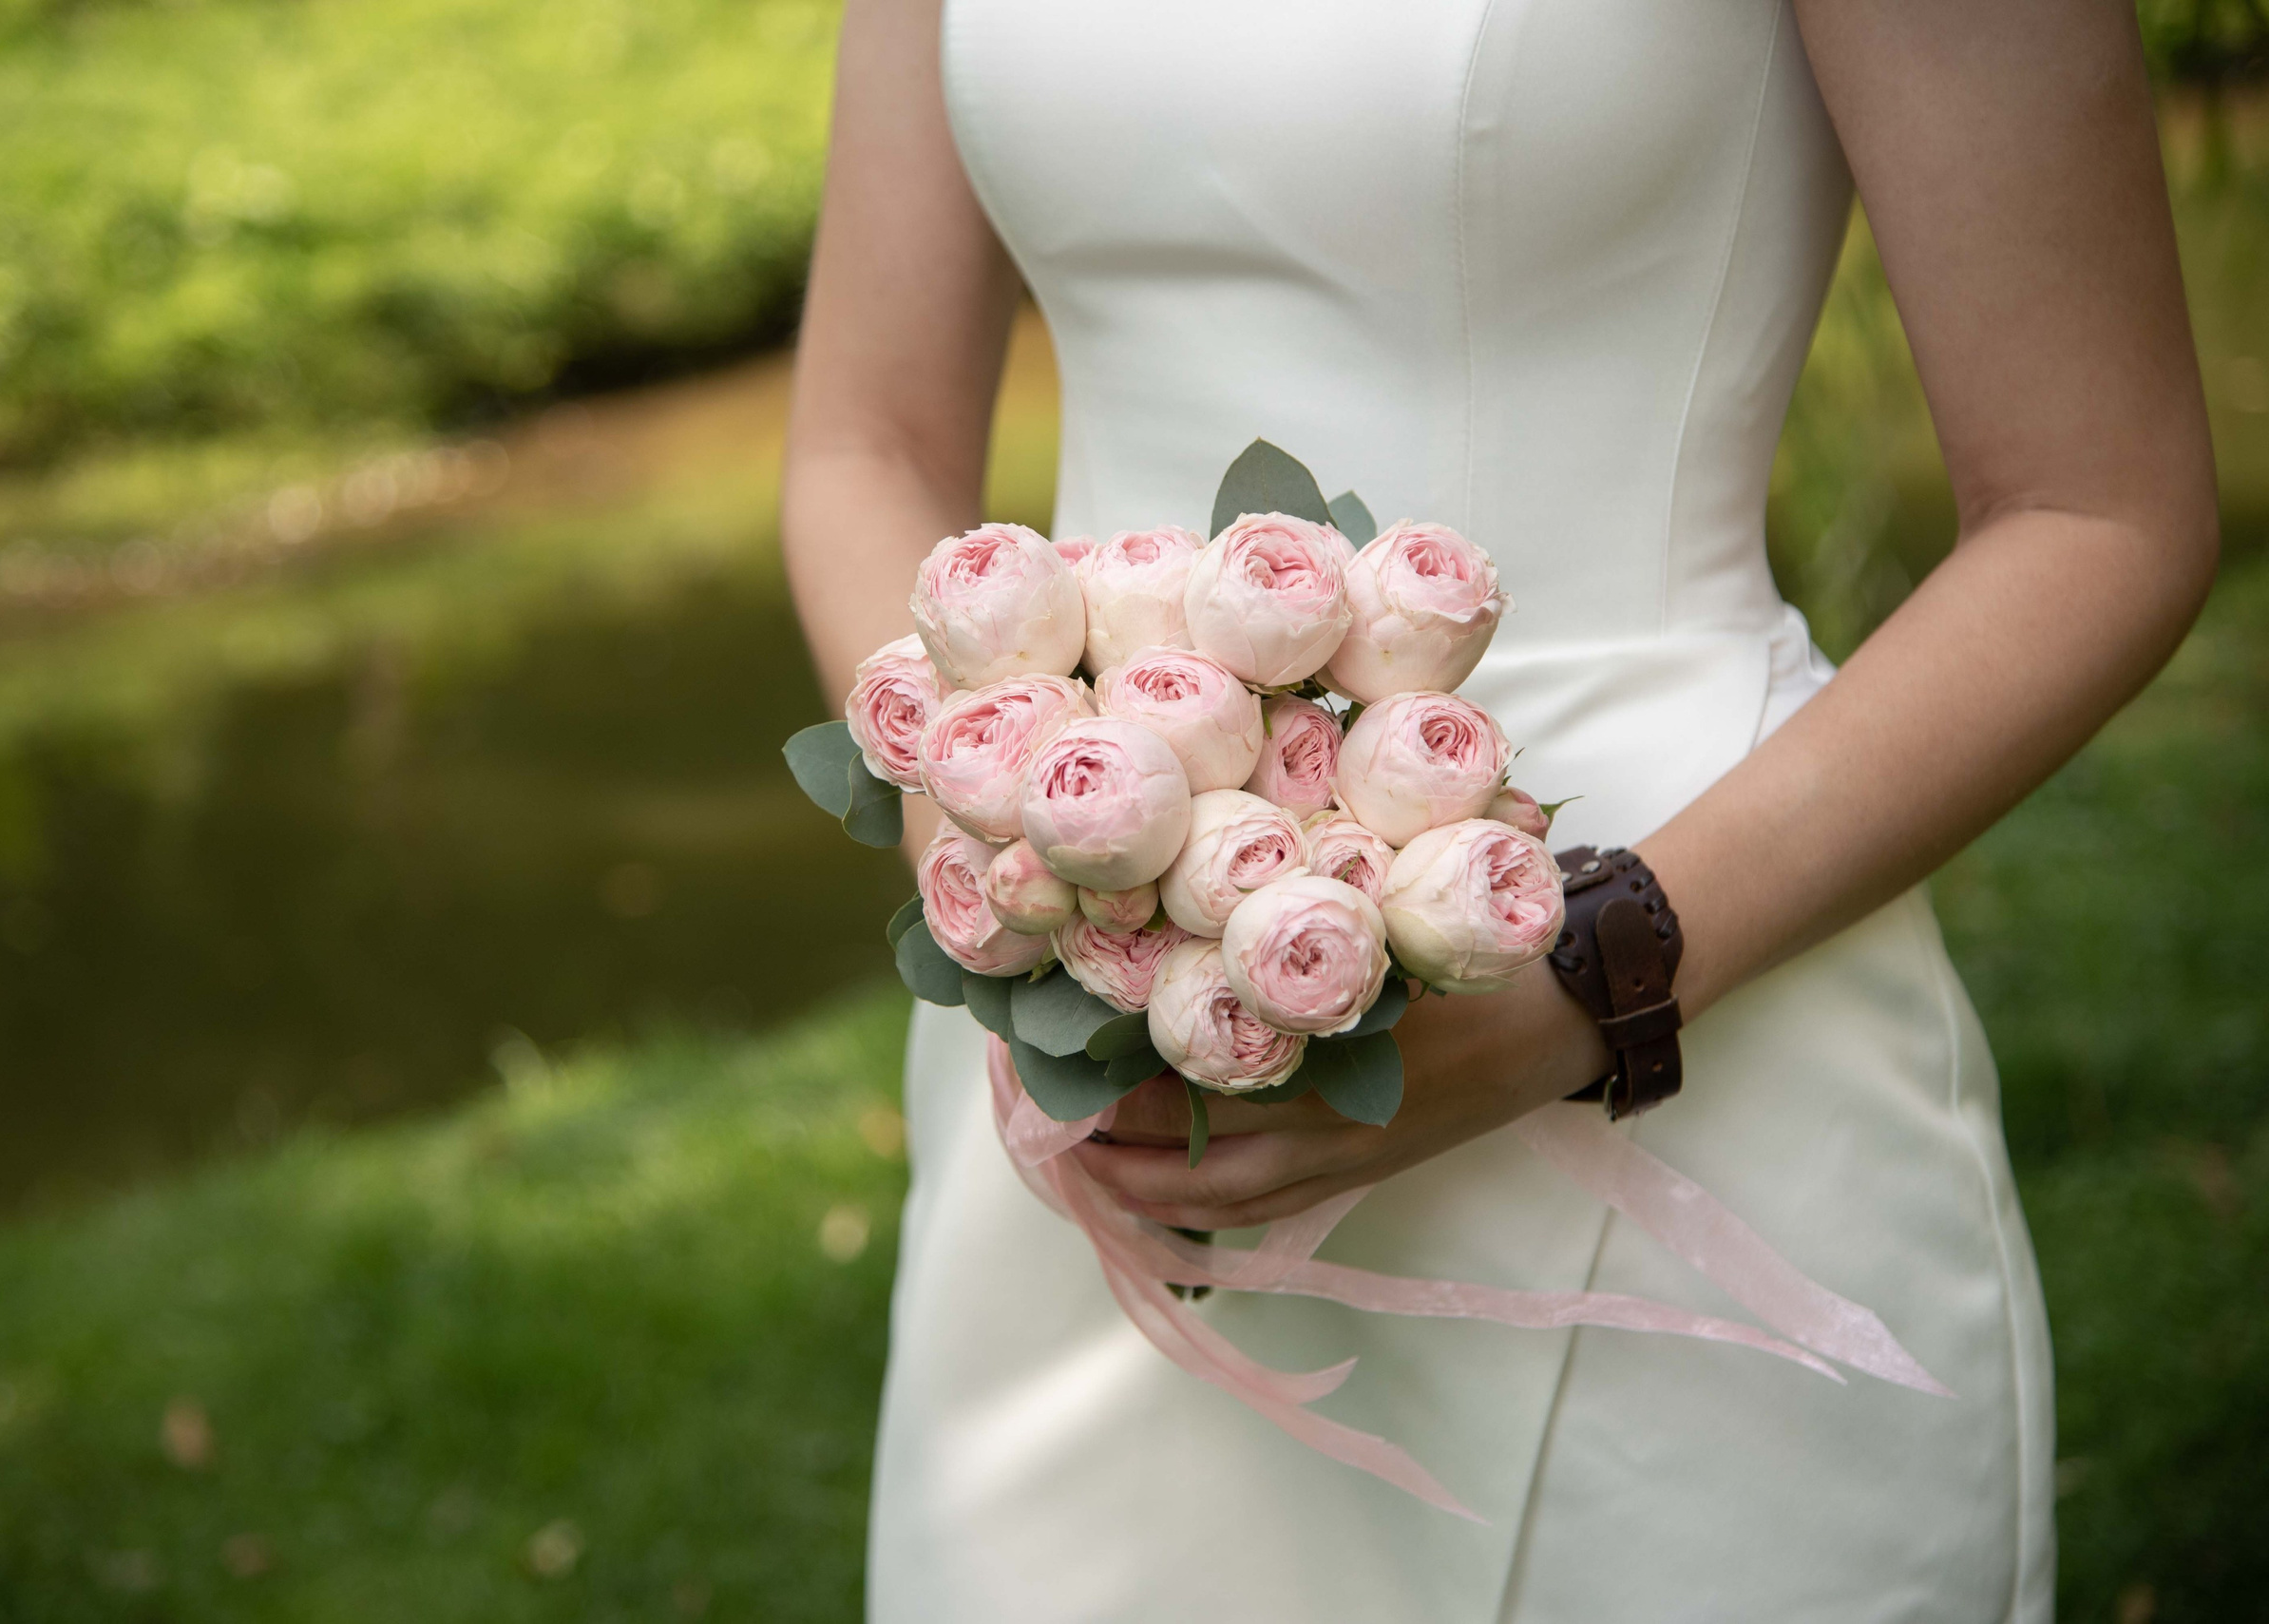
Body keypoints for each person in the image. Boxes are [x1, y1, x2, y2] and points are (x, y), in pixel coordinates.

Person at [779, 0, 2219, 1616]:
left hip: (1688, 1009)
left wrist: (1588, 976)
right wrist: (1027, 874)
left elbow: (2097, 508)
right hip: (1097, 1113)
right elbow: (864, 443)